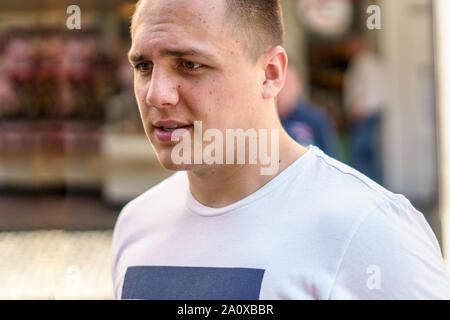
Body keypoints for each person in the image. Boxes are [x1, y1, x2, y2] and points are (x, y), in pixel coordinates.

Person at [111, 0, 450, 300]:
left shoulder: (369, 229)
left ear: (270, 74)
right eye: (143, 67)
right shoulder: (137, 222)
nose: (157, 94)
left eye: (189, 64)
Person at [344, 36, 386, 184]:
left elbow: (364, 89)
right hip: (372, 111)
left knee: (360, 153)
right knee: (369, 152)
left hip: (364, 113)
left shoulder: (362, 62)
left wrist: (357, 109)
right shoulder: (372, 62)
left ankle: (363, 186)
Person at [277, 65, 338, 158]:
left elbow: (330, 156)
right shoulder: (264, 119)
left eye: (287, 83)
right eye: (279, 83)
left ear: (299, 85)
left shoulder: (315, 117)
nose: (282, 89)